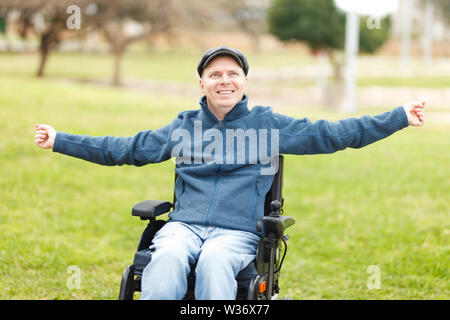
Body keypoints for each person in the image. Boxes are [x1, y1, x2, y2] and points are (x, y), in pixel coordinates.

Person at [35, 46, 425, 300]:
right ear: (201, 83)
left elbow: (333, 134)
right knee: (167, 255)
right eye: (215, 74)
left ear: (244, 82)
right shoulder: (183, 127)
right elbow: (124, 149)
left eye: (233, 73)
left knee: (216, 260)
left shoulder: (269, 124)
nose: (224, 80)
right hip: (183, 227)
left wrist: (398, 117)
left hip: (235, 232)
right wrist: (60, 140)